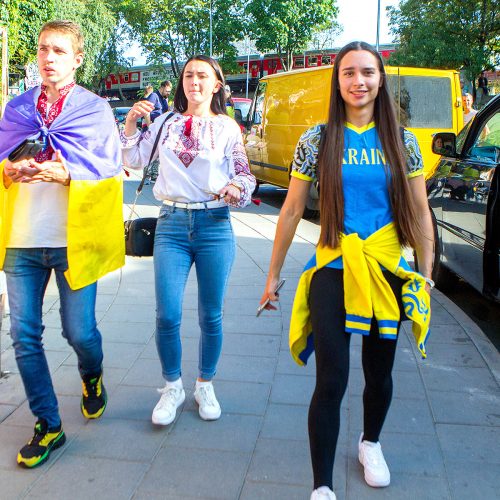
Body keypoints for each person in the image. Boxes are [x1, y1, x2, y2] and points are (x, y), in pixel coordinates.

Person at [259, 41, 434, 500]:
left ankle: (370, 443)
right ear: (337, 82)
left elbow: (420, 211)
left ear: (380, 79)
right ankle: (322, 486)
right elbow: (292, 209)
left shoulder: (404, 141)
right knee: (331, 378)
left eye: (368, 73)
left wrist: (427, 272)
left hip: (386, 271)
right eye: (349, 73)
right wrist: (272, 275)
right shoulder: (316, 140)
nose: (359, 81)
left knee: (379, 373)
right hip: (333, 267)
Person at [0, 20, 124, 468]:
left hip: (73, 239)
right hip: (23, 237)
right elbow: (2, 155)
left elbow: (109, 169)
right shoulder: (16, 108)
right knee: (23, 334)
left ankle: (92, 375)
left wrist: (67, 172)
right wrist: (9, 171)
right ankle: (48, 424)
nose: (48, 58)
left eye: (58, 50)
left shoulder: (93, 109)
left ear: (76, 59)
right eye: (42, 49)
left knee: (79, 331)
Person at [121, 55, 256, 426]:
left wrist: (236, 188)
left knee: (211, 315)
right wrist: (131, 123)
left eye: (202, 76)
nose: (193, 81)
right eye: (188, 75)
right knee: (167, 313)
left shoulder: (228, 128)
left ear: (216, 85)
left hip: (214, 224)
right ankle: (172, 387)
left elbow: (245, 174)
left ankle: (205, 383)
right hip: (172, 225)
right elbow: (131, 158)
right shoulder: (165, 122)